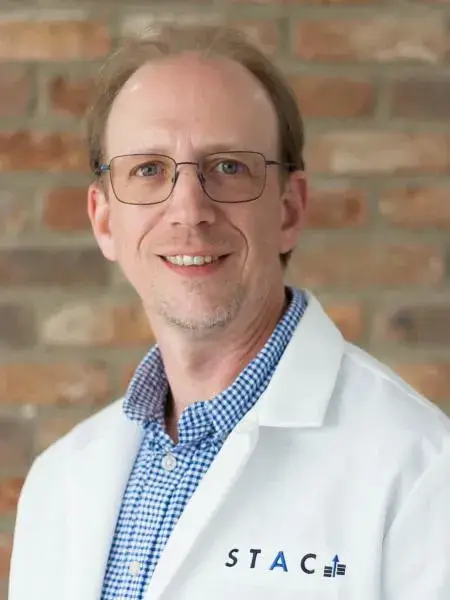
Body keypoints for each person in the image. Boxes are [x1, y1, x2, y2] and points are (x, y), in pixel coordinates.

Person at [8, 24, 450, 600]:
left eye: (229, 167)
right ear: (105, 220)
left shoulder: (422, 470)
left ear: (289, 210)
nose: (189, 209)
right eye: (148, 169)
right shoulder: (59, 482)